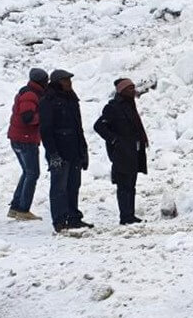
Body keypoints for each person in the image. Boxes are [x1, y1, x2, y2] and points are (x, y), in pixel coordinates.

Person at [39, 69, 93, 232]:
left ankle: (74, 218)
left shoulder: (72, 99)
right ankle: (60, 220)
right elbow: (46, 130)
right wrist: (53, 154)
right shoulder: (48, 101)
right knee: (59, 188)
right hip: (59, 151)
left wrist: (83, 149)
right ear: (58, 82)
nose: (70, 83)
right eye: (66, 80)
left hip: (74, 150)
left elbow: (78, 127)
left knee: (73, 186)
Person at [94, 78, 149, 225]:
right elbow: (99, 126)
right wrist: (114, 140)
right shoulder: (113, 107)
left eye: (133, 87)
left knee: (131, 184)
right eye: (130, 88)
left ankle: (130, 214)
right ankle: (125, 216)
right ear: (122, 91)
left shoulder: (130, 105)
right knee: (124, 185)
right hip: (121, 152)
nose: (133, 91)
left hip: (133, 150)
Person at [7, 68, 48, 221]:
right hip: (25, 139)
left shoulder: (28, 92)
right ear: (41, 81)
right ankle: (23, 209)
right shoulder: (31, 95)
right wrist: (44, 116)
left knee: (27, 172)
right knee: (32, 173)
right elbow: (28, 118)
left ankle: (15, 207)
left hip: (18, 138)